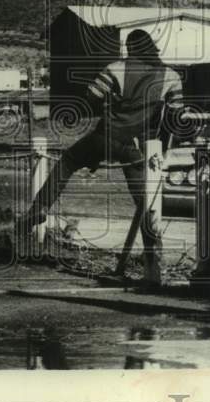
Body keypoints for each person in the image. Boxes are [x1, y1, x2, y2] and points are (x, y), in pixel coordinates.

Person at [18, 29, 184, 272]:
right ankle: (153, 264)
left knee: (68, 161)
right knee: (144, 202)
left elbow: (91, 97)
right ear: (152, 47)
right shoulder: (171, 76)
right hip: (136, 146)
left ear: (130, 48)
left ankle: (40, 208)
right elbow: (177, 113)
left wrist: (111, 100)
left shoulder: (115, 68)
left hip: (104, 137)